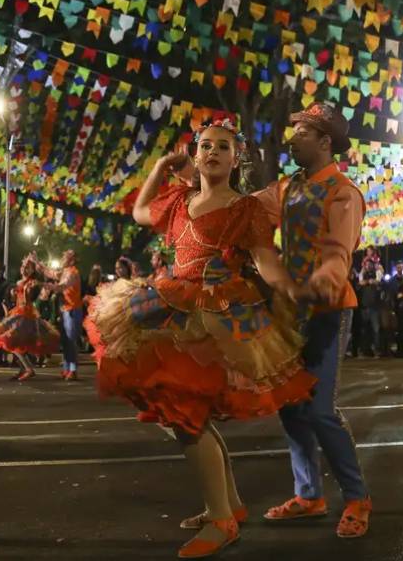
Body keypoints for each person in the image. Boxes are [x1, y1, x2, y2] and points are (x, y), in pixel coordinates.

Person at [84, 118, 316, 558]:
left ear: (237, 158)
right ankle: (227, 505)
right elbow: (138, 212)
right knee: (186, 416)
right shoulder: (180, 201)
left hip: (214, 318)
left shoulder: (245, 209)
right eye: (205, 146)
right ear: (195, 156)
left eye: (222, 147)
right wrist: (158, 167)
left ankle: (222, 519)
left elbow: (266, 262)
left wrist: (295, 290)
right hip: (169, 306)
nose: (212, 152)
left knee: (186, 415)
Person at [253, 102, 372, 538]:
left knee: (320, 410)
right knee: (290, 407)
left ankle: (357, 498)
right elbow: (247, 213)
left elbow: (339, 251)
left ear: (325, 142)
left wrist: (324, 278)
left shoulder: (343, 191)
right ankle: (309, 495)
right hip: (291, 310)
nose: (292, 138)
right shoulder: (288, 187)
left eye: (302, 132)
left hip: (329, 308)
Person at [0, 254, 60, 382]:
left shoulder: (31, 283)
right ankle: (23, 369)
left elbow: (28, 300)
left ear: (32, 270)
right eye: (23, 266)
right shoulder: (19, 282)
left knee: (10, 341)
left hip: (25, 315)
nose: (24, 268)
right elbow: (16, 299)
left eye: (28, 267)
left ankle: (28, 368)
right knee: (14, 342)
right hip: (17, 313)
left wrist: (26, 292)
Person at [39, 250, 82, 381]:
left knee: (70, 341)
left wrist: (44, 285)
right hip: (65, 309)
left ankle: (73, 370)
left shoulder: (73, 273)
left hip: (73, 309)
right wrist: (38, 264)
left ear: (71, 260)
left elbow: (61, 287)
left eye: (65, 256)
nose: (62, 257)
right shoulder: (65, 272)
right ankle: (67, 368)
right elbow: (51, 273)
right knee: (65, 341)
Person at [358, 259, 383, 358]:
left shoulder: (376, 274)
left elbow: (379, 282)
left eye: (370, 265)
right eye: (366, 265)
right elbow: (360, 283)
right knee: (365, 330)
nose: (368, 266)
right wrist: (367, 281)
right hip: (364, 307)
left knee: (376, 330)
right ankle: (366, 350)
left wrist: (374, 281)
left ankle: (377, 350)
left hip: (374, 307)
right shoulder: (363, 275)